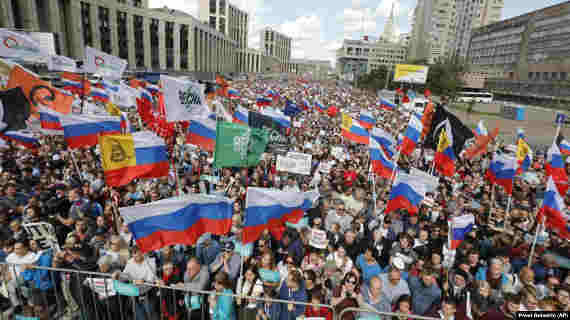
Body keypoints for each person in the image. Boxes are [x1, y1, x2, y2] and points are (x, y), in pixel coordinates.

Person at [113, 246, 160, 320]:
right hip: (134, 293)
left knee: (151, 314)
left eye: (139, 252)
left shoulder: (150, 261)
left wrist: (143, 281)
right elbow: (125, 276)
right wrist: (118, 273)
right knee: (139, 315)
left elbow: (151, 279)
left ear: (143, 253)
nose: (137, 254)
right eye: (134, 253)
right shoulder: (130, 262)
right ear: (132, 254)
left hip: (148, 292)